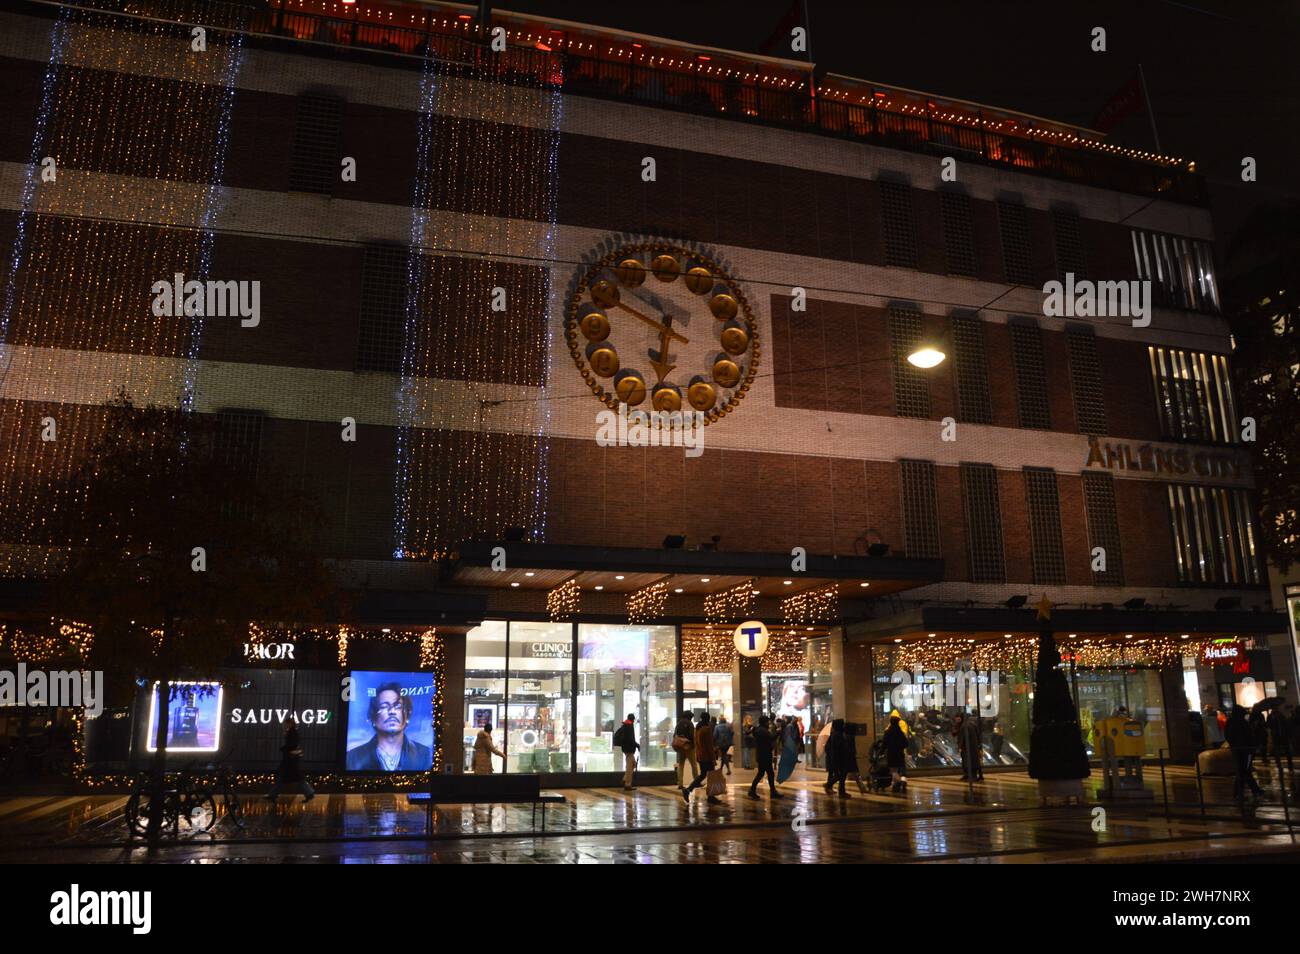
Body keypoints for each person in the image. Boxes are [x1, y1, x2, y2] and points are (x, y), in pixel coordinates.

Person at [346, 682, 433, 771]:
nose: (392, 711)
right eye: (384, 706)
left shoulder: (425, 755)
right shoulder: (352, 758)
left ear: (407, 715)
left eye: (398, 706)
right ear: (373, 717)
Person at [267, 718, 315, 805]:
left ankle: (273, 795)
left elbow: (291, 745)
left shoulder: (291, 733)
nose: (284, 725)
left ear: (290, 724)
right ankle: (309, 793)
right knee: (296, 778)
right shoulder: (293, 732)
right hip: (291, 760)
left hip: (289, 760)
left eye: (286, 724)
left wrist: (284, 749)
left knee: (282, 777)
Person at [1225, 706, 1263, 802]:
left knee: (1242, 771)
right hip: (1246, 750)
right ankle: (1239, 793)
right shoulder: (1243, 723)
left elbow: (1228, 736)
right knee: (1244, 771)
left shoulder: (1230, 722)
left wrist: (1233, 744)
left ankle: (1254, 790)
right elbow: (1249, 736)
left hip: (1237, 750)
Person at [683, 712, 721, 804]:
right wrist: (713, 758)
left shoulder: (698, 729)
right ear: (707, 719)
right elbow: (709, 746)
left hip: (700, 755)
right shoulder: (706, 730)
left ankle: (688, 790)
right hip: (707, 756)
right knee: (710, 775)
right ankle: (710, 796)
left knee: (703, 774)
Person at [747, 716, 782, 801]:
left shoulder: (759, 730)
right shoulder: (762, 731)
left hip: (762, 755)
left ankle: (754, 790)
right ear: (764, 722)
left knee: (763, 773)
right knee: (767, 773)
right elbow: (771, 738)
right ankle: (771, 792)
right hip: (764, 755)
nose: (769, 723)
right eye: (767, 722)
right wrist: (778, 732)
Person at [823, 718, 851, 798]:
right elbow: (837, 748)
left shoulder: (836, 734)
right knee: (841, 775)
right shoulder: (837, 735)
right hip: (838, 759)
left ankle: (836, 788)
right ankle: (830, 786)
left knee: (840, 775)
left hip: (837, 758)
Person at [613, 713, 641, 790]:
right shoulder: (629, 726)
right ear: (633, 719)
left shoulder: (625, 725)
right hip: (629, 749)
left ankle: (625, 779)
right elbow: (630, 739)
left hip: (626, 748)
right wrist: (637, 745)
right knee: (630, 765)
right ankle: (627, 784)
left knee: (632, 764)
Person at [673, 710, 699, 790]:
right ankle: (696, 782)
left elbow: (675, 734)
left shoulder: (679, 723)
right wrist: (693, 746)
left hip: (681, 747)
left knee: (681, 765)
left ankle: (680, 783)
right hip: (688, 747)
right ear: (689, 717)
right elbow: (691, 736)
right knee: (693, 765)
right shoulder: (690, 724)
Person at [883, 715, 909, 793]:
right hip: (900, 753)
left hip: (891, 754)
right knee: (901, 769)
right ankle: (902, 780)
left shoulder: (888, 732)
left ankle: (897, 783)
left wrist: (881, 751)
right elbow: (906, 743)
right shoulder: (900, 732)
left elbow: (884, 743)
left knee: (893, 770)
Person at [958, 711, 984, 782]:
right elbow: (978, 735)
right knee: (975, 761)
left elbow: (962, 737)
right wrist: (979, 745)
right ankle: (978, 776)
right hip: (974, 746)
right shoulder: (973, 724)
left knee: (968, 761)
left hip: (967, 747)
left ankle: (971, 776)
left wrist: (960, 746)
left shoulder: (964, 725)